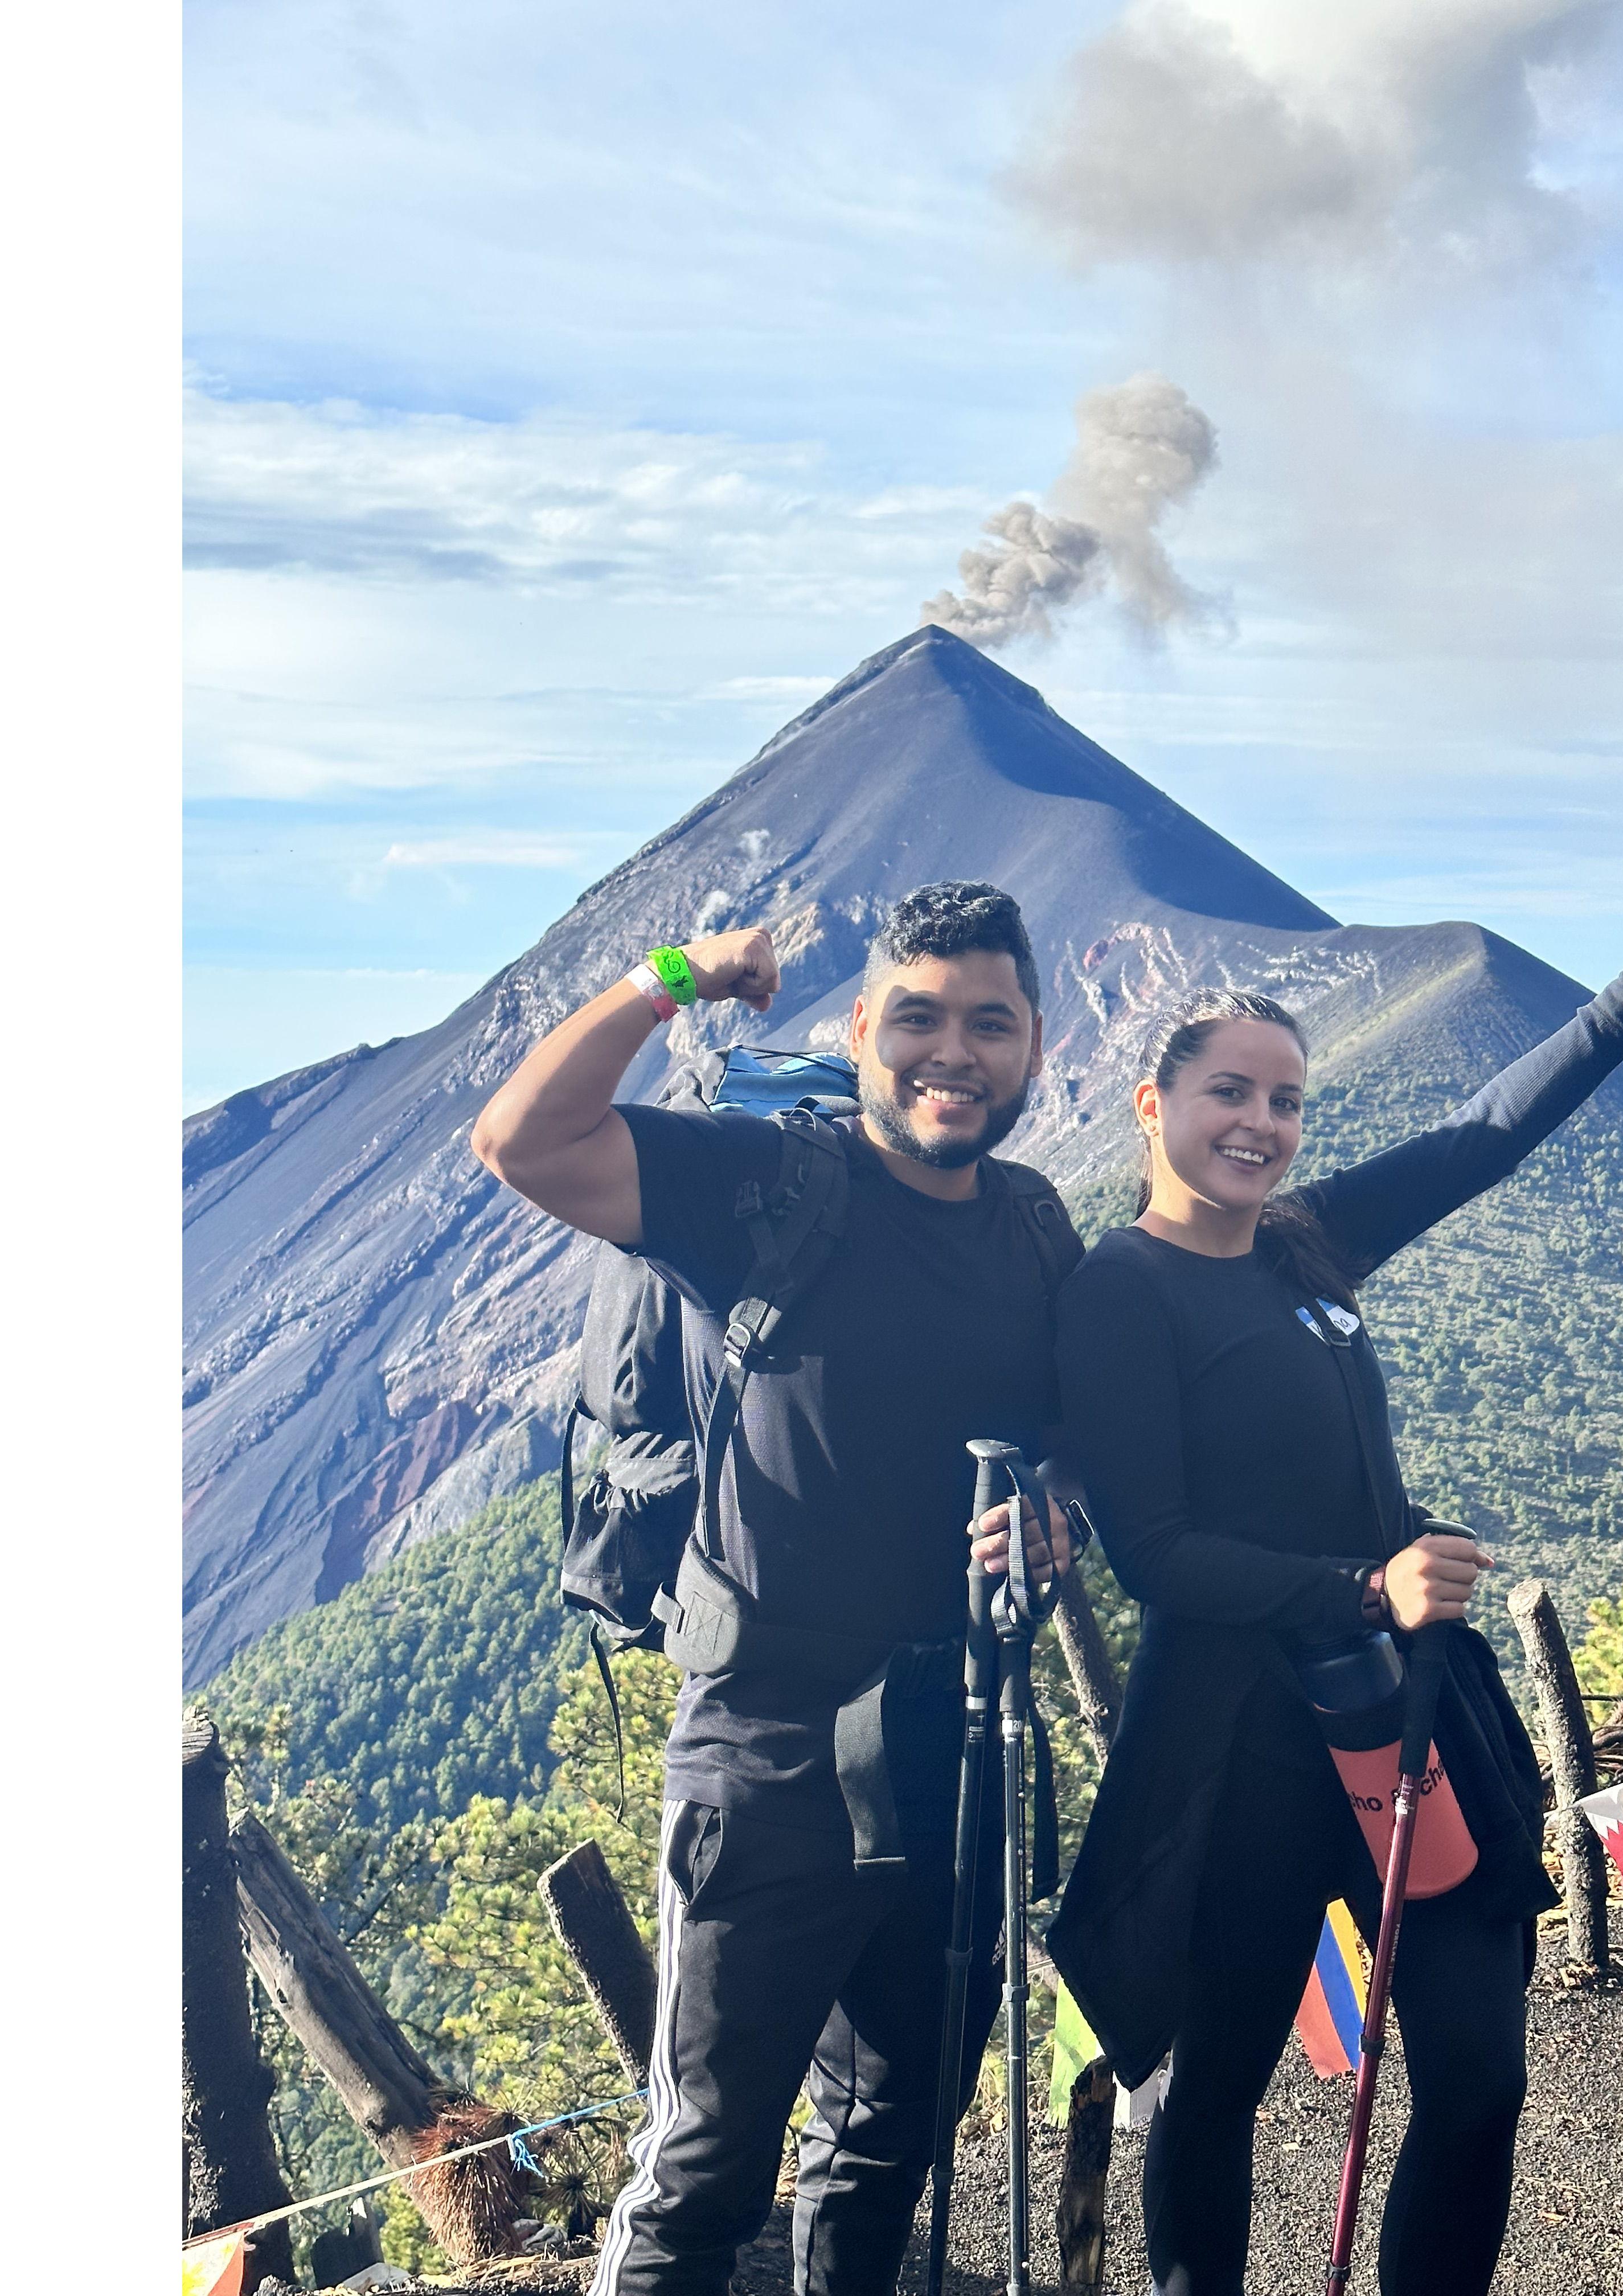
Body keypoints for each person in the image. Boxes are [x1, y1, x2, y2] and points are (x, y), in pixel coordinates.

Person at [1044, 869, 1623, 2296]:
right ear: (1154, 1106)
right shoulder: (1121, 1290)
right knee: (1219, 2083)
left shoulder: (1304, 1242)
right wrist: (1368, 1587)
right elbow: (1155, 1552)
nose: (1262, 1124)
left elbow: (1480, 1138)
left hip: (1409, 1703)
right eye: (1231, 1092)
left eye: (1287, 1100)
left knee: (1478, 2076)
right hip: (1245, 1739)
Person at [471, 880, 1076, 2296]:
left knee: (890, 2141)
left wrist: (1062, 1516)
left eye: (990, 1022)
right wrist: (675, 974)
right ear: (862, 1028)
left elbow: (1073, 1438)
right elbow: (521, 1139)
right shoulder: (762, 1186)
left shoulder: (1040, 1229)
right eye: (918, 1016)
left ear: (1036, 1044)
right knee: (702, 2175)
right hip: (763, 1755)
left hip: (953, 1752)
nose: (953, 1051)